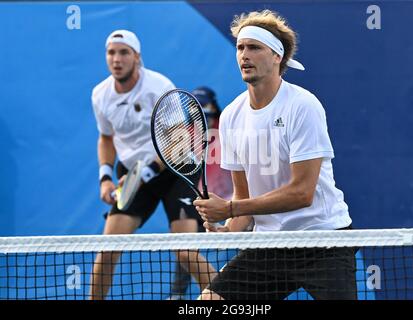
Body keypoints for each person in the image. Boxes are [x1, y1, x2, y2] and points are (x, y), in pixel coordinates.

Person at [193, 10, 356, 300]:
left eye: (254, 47)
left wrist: (229, 209)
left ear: (277, 56)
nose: (244, 55)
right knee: (207, 305)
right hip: (269, 246)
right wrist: (230, 230)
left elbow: (302, 193)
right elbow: (245, 201)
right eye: (241, 47)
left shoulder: (303, 106)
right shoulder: (231, 115)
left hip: (323, 241)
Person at [90, 30, 216, 300]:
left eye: (124, 52)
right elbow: (106, 138)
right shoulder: (100, 95)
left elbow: (178, 140)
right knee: (108, 249)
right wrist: (105, 177)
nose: (117, 59)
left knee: (185, 252)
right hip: (132, 171)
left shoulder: (158, 87)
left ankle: (232, 299)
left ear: (137, 57)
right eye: (111, 52)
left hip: (175, 169)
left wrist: (143, 175)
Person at [168, 86, 233, 300]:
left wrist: (233, 207)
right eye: (196, 107)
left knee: (252, 254)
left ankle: (233, 294)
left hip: (233, 205)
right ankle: (178, 294)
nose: (201, 111)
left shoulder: (229, 131)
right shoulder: (185, 134)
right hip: (201, 203)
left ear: (214, 106)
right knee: (185, 251)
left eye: (205, 105)